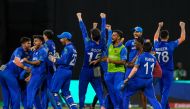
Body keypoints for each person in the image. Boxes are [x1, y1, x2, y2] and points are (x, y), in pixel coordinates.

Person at [76, 12, 106, 109]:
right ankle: (102, 105)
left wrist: (80, 17)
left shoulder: (88, 43)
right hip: (96, 68)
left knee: (82, 92)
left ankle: (81, 107)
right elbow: (103, 32)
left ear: (92, 36)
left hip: (86, 69)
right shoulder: (102, 43)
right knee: (99, 89)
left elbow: (83, 30)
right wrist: (103, 19)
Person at [154, 21, 186, 109]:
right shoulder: (171, 45)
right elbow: (182, 38)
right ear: (168, 37)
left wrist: (159, 27)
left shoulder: (156, 45)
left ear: (160, 37)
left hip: (159, 71)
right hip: (168, 71)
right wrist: (183, 27)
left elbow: (155, 37)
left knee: (161, 92)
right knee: (165, 92)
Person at [122, 41, 162, 109]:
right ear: (150, 49)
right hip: (149, 81)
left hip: (139, 81)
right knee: (153, 99)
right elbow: (153, 68)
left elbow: (135, 69)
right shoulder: (154, 58)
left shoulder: (140, 57)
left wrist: (128, 78)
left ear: (143, 48)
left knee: (126, 94)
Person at [0, 37, 32, 109]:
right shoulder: (19, 50)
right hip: (8, 72)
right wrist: (25, 68)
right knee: (16, 93)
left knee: (7, 93)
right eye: (28, 43)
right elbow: (17, 61)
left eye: (30, 43)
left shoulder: (29, 52)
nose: (30, 45)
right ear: (23, 44)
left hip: (3, 70)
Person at [49, 32, 77, 109]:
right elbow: (65, 59)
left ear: (65, 38)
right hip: (69, 71)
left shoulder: (67, 48)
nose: (60, 40)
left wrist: (53, 59)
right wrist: (59, 58)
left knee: (54, 91)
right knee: (66, 93)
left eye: (61, 38)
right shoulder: (73, 48)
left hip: (62, 71)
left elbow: (63, 61)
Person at [22, 35, 48, 109]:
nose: (34, 42)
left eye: (36, 41)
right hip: (35, 74)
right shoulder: (36, 51)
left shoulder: (43, 50)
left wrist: (27, 61)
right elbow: (34, 66)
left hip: (40, 74)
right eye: (34, 41)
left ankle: (28, 107)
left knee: (30, 90)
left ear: (41, 42)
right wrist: (30, 75)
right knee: (35, 93)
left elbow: (38, 63)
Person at [104, 29, 127, 109]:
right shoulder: (110, 45)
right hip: (109, 73)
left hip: (119, 72)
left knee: (117, 90)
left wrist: (111, 61)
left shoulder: (123, 48)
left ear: (118, 37)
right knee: (111, 92)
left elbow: (123, 62)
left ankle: (121, 107)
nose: (112, 36)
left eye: (114, 35)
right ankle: (116, 107)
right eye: (112, 35)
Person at [41, 29, 57, 109]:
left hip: (48, 68)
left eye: (43, 34)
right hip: (52, 67)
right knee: (45, 89)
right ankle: (44, 106)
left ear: (45, 36)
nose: (43, 36)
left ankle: (56, 106)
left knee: (48, 89)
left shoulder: (47, 43)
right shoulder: (52, 43)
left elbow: (43, 53)